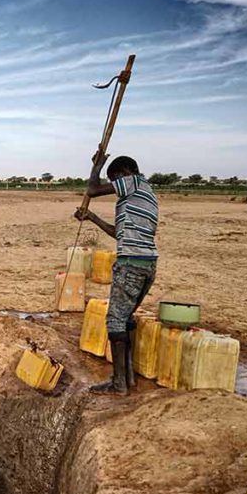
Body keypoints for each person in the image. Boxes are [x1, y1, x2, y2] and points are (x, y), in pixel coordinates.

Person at [75, 152, 159, 395]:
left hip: (132, 263)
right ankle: (129, 377)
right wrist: (91, 217)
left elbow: (91, 189)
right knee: (126, 318)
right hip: (147, 264)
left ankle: (119, 383)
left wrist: (97, 165)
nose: (114, 185)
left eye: (114, 179)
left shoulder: (134, 182)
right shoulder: (143, 195)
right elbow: (118, 234)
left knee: (115, 320)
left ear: (125, 173)